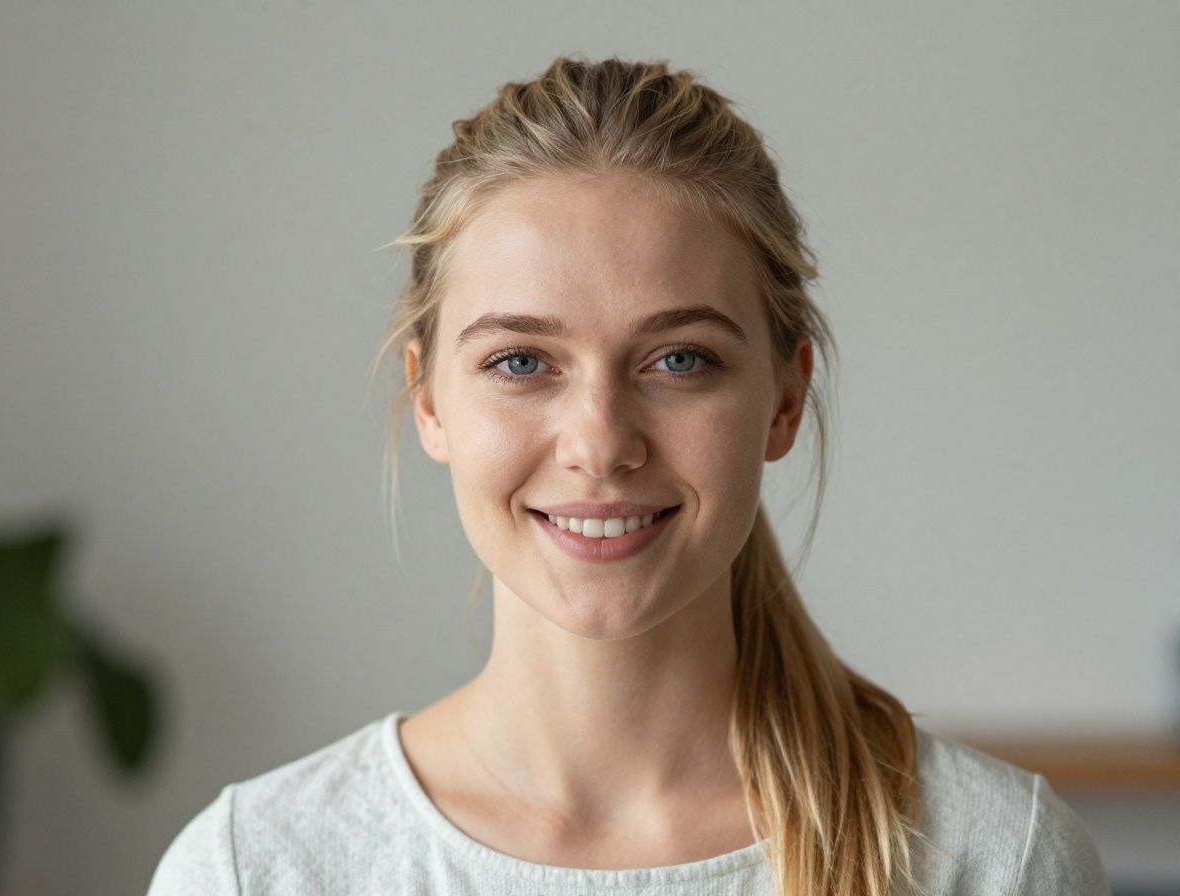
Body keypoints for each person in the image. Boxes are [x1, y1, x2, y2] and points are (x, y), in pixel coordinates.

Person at [145, 55, 1112, 896]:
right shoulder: (256, 867)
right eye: (521, 362)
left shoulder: (993, 861)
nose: (600, 443)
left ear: (782, 398)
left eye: (679, 359)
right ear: (428, 400)